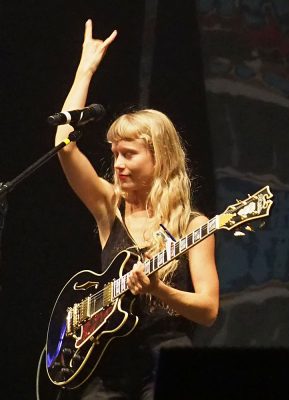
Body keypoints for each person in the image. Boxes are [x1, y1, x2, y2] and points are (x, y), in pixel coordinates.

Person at [54, 20, 219, 399]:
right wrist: (85, 70)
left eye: (129, 154)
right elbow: (64, 147)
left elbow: (208, 309)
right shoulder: (108, 207)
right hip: (108, 362)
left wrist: (160, 290)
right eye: (115, 155)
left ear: (159, 158)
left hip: (166, 357)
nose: (118, 164)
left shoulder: (194, 224)